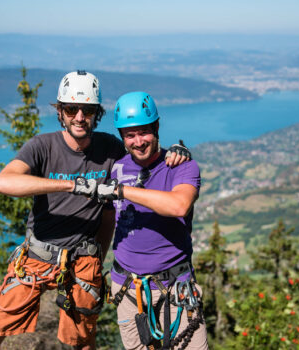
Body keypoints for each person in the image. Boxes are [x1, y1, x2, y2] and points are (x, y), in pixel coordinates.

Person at [0, 72, 190, 350]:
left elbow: (142, 149)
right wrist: (70, 186)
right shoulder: (42, 146)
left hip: (83, 261)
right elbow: (3, 183)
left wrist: (176, 151)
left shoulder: (109, 147)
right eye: (71, 109)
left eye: (87, 110)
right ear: (60, 112)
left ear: (97, 114)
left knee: (82, 345)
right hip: (36, 257)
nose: (79, 117)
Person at [96, 91, 208, 349]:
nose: (138, 141)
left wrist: (121, 190)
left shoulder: (182, 167)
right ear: (122, 137)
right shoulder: (116, 168)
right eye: (130, 135)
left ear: (156, 127)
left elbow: (179, 206)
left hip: (175, 287)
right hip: (128, 290)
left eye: (144, 132)